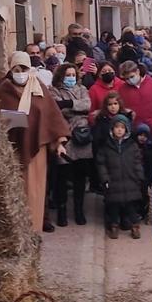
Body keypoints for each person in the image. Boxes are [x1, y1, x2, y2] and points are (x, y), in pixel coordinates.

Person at [0, 51, 69, 232]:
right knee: (13, 189)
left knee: (34, 190)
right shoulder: (2, 89)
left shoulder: (39, 88)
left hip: (37, 148)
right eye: (16, 69)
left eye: (24, 68)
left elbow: (51, 115)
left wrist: (59, 142)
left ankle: (33, 229)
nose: (20, 72)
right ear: (11, 69)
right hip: (11, 148)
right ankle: (15, 231)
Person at [48, 63, 92, 226]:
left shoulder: (82, 89)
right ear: (61, 76)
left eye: (74, 74)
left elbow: (87, 105)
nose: (71, 78)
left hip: (81, 136)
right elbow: (56, 109)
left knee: (80, 176)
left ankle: (79, 210)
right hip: (64, 136)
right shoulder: (53, 90)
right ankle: (62, 211)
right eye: (68, 75)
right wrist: (76, 107)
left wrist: (68, 104)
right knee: (62, 177)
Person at [96, 114, 144, 240]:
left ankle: (135, 227)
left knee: (131, 207)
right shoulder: (106, 146)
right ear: (112, 129)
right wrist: (105, 178)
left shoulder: (132, 146)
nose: (119, 130)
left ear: (126, 129)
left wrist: (140, 176)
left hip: (130, 181)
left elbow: (137, 162)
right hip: (113, 182)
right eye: (116, 127)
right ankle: (114, 226)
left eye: (122, 127)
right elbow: (101, 164)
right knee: (114, 207)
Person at [118, 60, 152, 145]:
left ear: (138, 71)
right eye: (126, 78)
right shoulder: (122, 89)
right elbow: (121, 108)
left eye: (132, 76)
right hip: (134, 131)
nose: (129, 80)